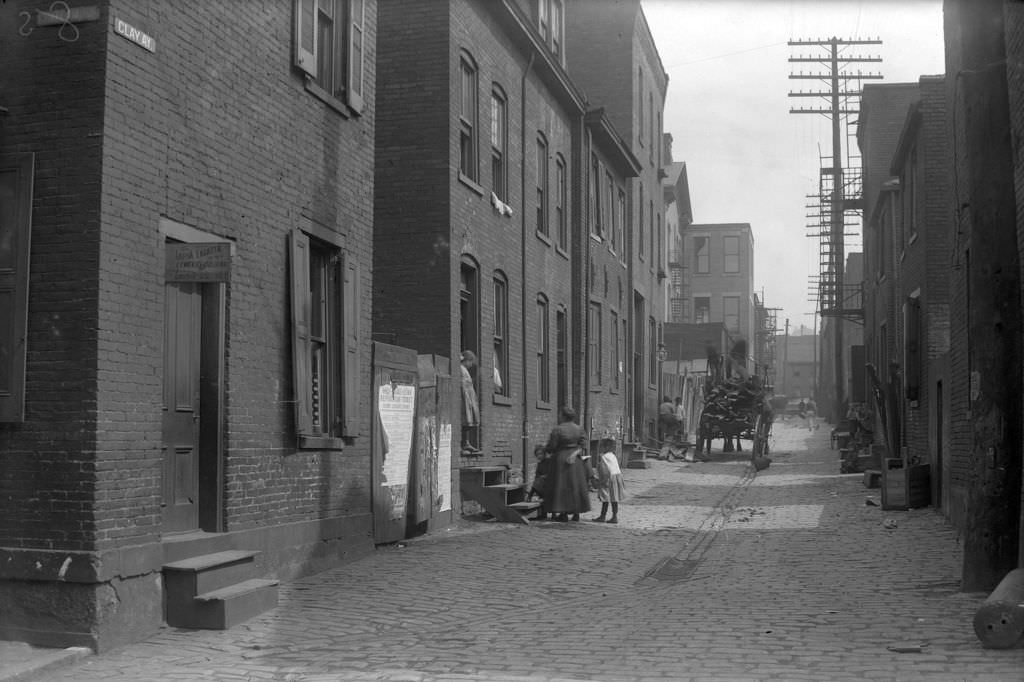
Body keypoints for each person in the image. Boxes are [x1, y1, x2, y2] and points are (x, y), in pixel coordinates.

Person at [543, 406, 591, 522]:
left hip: (561, 459)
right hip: (576, 460)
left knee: (561, 485)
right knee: (575, 485)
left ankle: (563, 513)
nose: (559, 416)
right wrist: (575, 454)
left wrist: (546, 449)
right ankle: (576, 513)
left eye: (560, 414)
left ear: (563, 416)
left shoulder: (558, 429)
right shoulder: (579, 429)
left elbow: (552, 446)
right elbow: (584, 445)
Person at [592, 438, 626, 524]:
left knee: (605, 498)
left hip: (608, 478)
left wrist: (600, 481)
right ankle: (614, 516)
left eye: (601, 447)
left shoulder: (604, 457)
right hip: (617, 477)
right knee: (614, 498)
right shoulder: (613, 455)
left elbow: (604, 471)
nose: (600, 448)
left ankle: (603, 516)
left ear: (605, 447)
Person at [460, 351, 481, 454]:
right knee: (465, 420)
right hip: (465, 398)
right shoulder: (461, 369)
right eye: (471, 361)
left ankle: (466, 442)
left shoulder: (464, 370)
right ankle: (464, 443)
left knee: (469, 420)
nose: (471, 364)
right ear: (467, 360)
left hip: (468, 398)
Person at [527, 445, 552, 520]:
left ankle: (530, 495)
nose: (539, 456)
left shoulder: (549, 462)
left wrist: (544, 477)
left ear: (544, 454)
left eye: (540, 454)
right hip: (543, 486)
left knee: (540, 482)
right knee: (538, 483)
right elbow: (537, 477)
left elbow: (552, 473)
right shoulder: (539, 464)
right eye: (537, 455)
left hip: (551, 484)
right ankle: (542, 514)